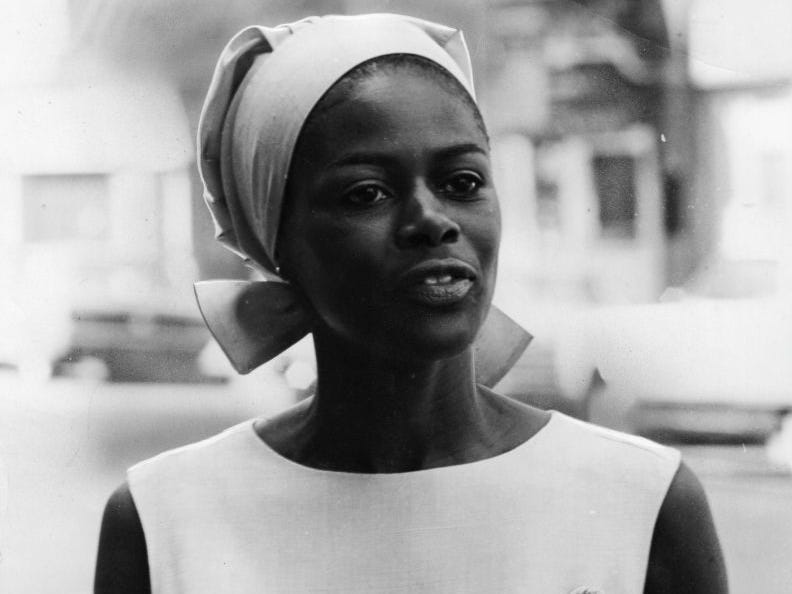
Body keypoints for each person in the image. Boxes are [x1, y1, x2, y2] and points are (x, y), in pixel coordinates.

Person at [94, 13, 727, 594]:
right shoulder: (163, 518)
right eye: (366, 193)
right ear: (274, 236)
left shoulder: (642, 501)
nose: (431, 220)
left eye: (463, 183)